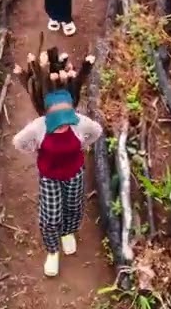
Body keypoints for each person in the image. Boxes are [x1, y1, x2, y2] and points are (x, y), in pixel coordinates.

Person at [12, 87, 103, 277]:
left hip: (74, 173)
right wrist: (35, 149)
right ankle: (53, 251)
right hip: (50, 177)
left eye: (65, 120)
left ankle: (68, 232)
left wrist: (83, 145)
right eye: (57, 122)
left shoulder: (80, 123)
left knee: (74, 206)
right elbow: (18, 142)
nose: (62, 126)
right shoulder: (39, 126)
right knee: (51, 217)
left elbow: (97, 131)